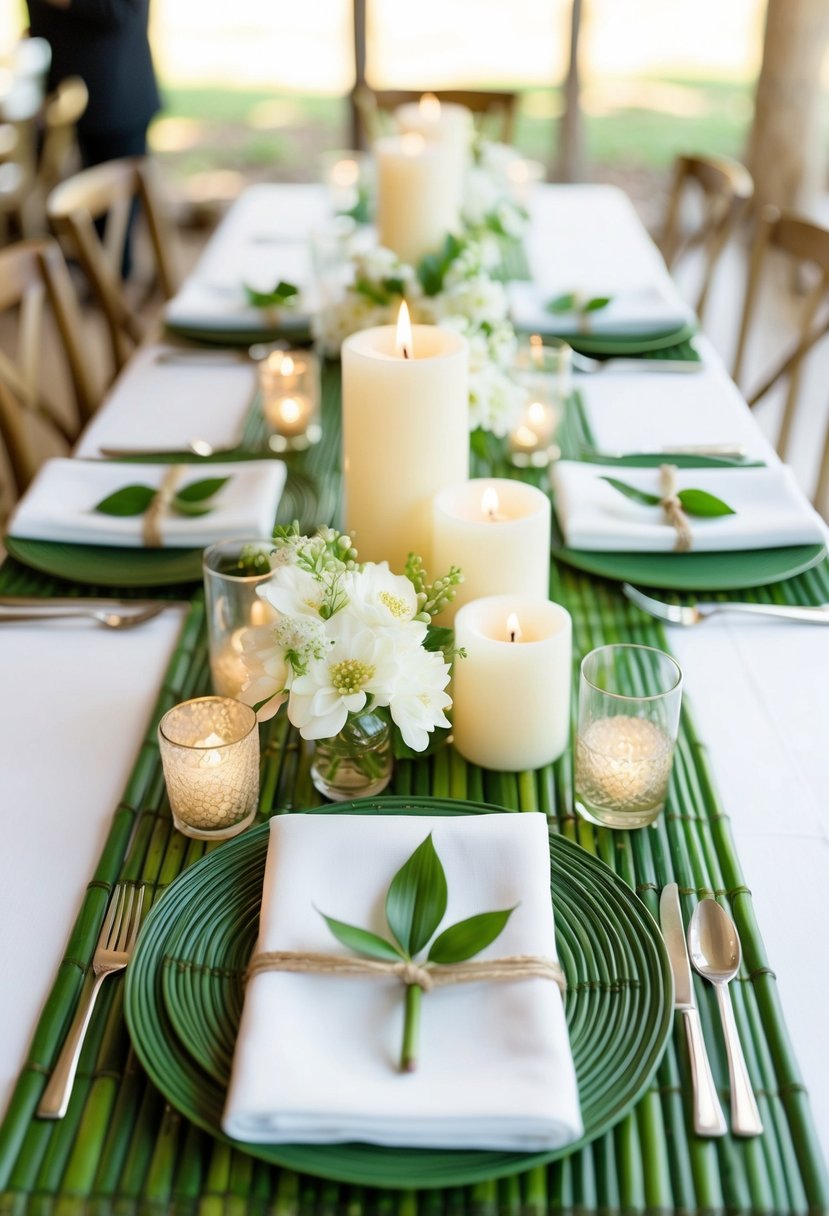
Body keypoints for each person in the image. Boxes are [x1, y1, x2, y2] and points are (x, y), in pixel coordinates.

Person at [26, 0, 161, 274]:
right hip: (62, 98)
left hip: (116, 95)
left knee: (113, 222)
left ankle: (110, 296)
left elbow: (119, 11)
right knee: (72, 210)